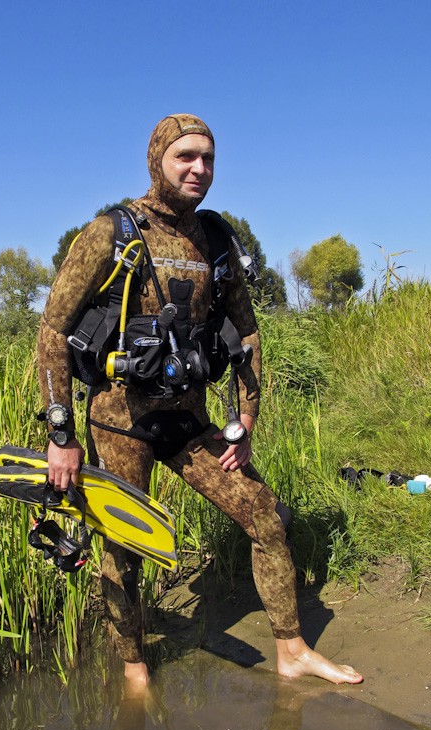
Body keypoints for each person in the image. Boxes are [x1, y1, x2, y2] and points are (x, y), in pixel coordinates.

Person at [37, 113, 363, 688]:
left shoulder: (214, 238)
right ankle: (135, 671)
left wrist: (245, 420)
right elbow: (52, 331)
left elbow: (249, 333)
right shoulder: (110, 233)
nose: (199, 168)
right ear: (156, 159)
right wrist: (60, 437)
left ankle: (292, 649)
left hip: (189, 421)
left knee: (264, 515)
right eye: (185, 156)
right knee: (126, 543)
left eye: (208, 158)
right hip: (119, 420)